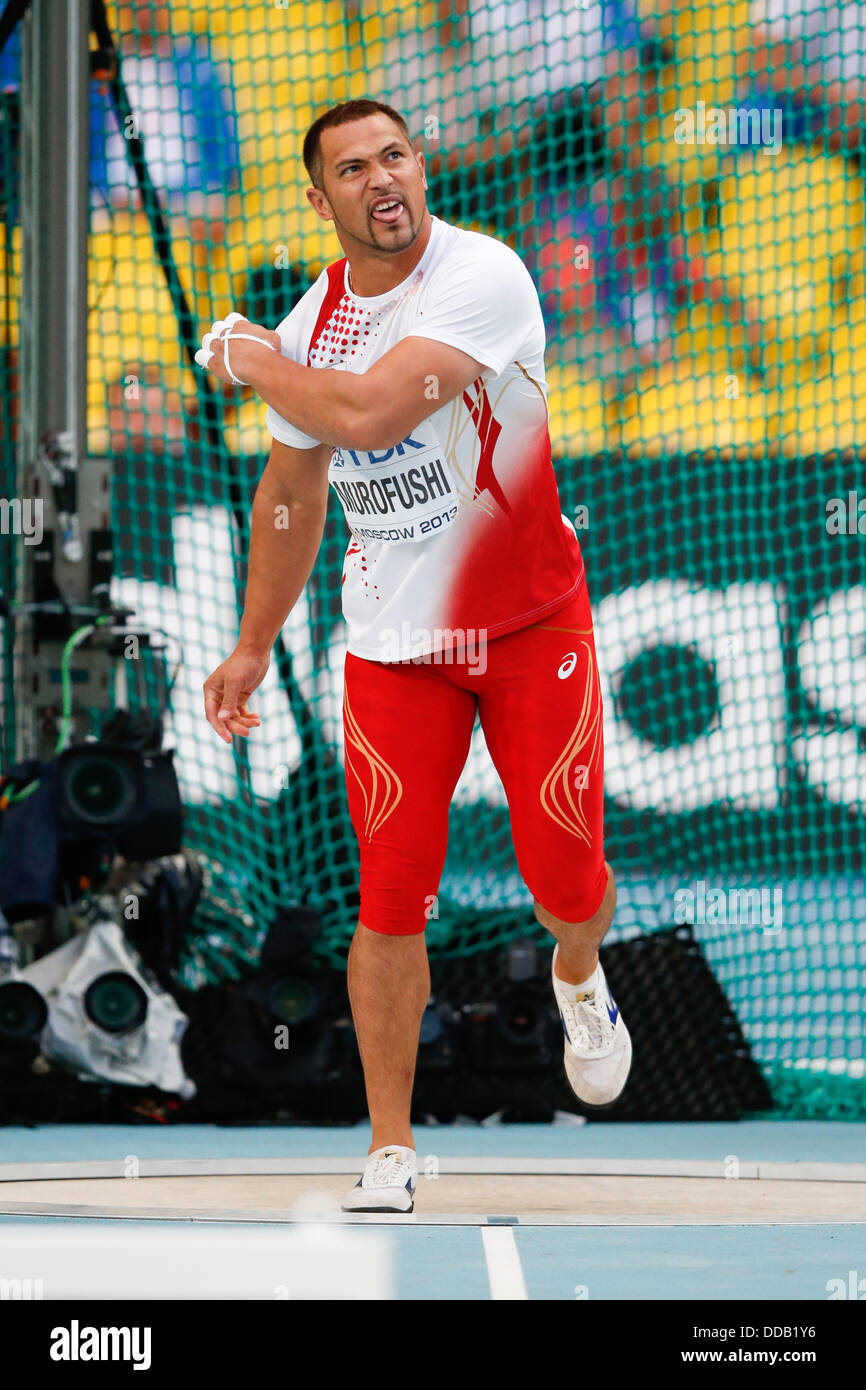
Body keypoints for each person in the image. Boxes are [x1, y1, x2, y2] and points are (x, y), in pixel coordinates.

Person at [197, 99, 631, 1213]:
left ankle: (578, 974)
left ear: (418, 165)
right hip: (397, 651)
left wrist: (250, 360)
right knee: (388, 898)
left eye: (394, 155)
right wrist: (252, 645)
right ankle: (390, 1146)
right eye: (352, 167)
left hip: (532, 626)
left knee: (563, 878)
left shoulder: (479, 276)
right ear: (320, 197)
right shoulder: (308, 329)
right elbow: (290, 499)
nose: (381, 179)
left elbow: (370, 413)